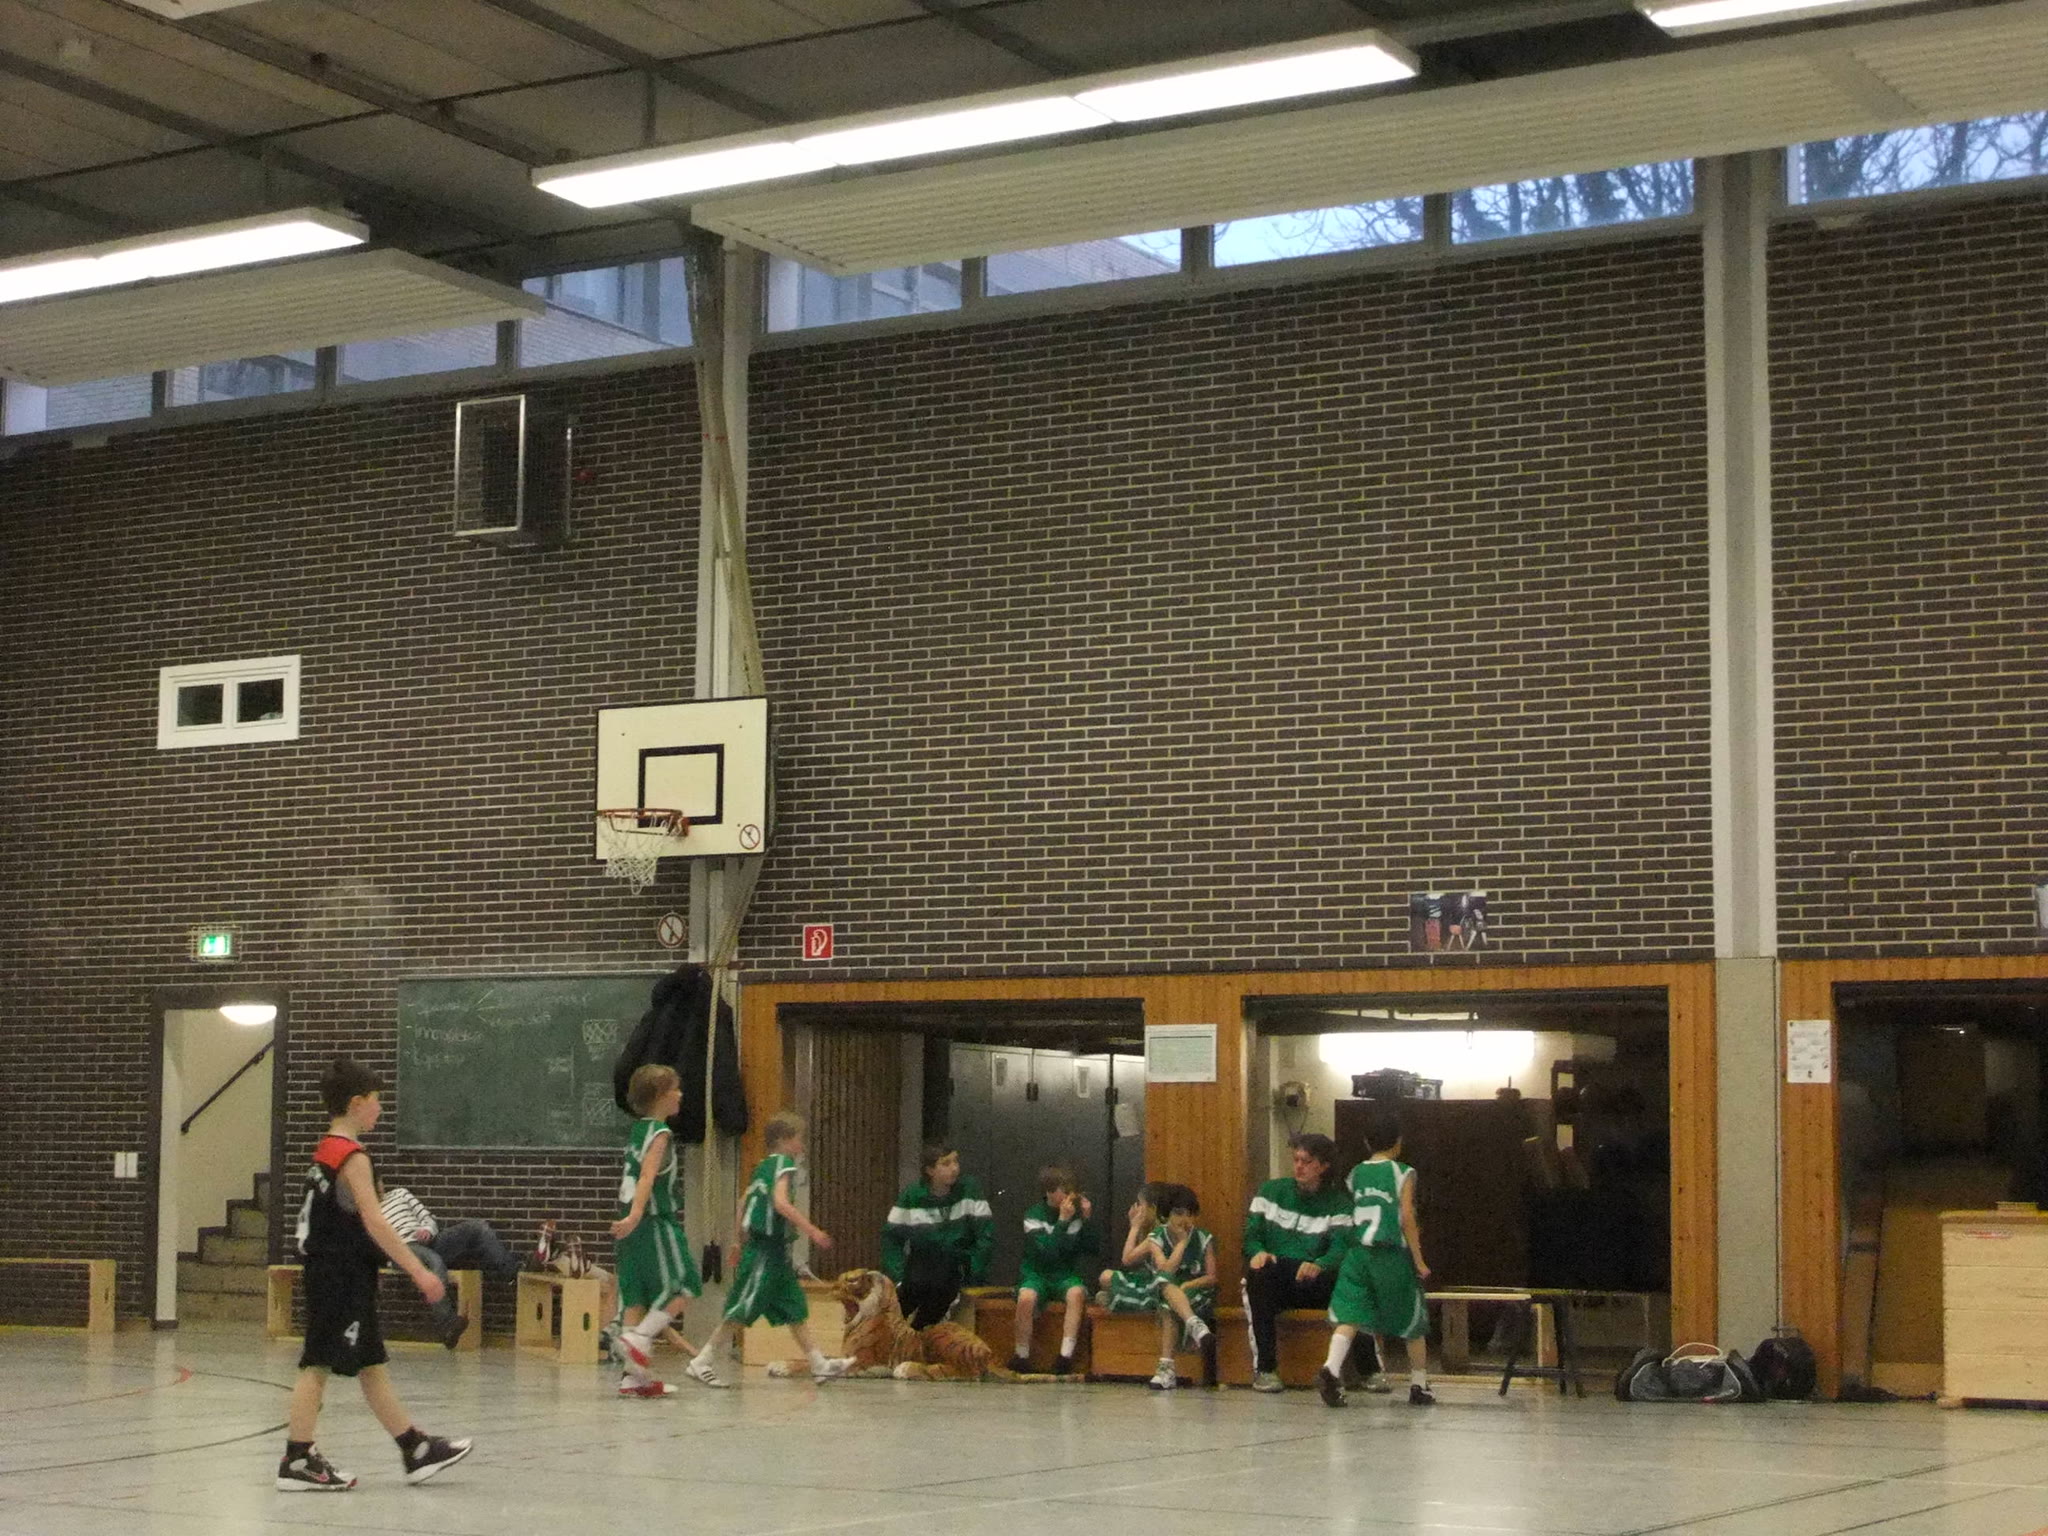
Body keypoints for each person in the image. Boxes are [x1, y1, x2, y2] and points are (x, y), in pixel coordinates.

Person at [277, 1057, 471, 1491]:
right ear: (356, 1103)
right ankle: (297, 1458)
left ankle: (415, 1448)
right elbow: (376, 1222)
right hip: (338, 1276)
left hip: (338, 1273)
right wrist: (419, 1271)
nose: (380, 1109)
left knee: (370, 1363)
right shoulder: (352, 1157)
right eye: (376, 1100)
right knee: (317, 1363)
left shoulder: (326, 1150)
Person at [684, 1111, 847, 1387]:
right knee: (741, 1308)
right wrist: (812, 1230)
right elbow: (781, 1203)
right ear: (783, 1140)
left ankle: (819, 1364)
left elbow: (742, 1203)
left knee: (795, 1309)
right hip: (765, 1252)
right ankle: (702, 1360)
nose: (802, 1146)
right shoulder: (783, 1164)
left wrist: (737, 1240)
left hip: (774, 1254)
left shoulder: (761, 1167)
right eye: (799, 1139)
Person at [1241, 1132, 1381, 1393]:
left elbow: (1342, 1246)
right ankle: (1266, 1370)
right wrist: (1258, 1252)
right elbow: (1251, 1236)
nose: (1298, 1167)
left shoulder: (1339, 1203)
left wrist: (1320, 1263)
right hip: (1278, 1276)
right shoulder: (1270, 1191)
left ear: (1323, 1166)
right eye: (1296, 1160)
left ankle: (1370, 1370)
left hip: (1316, 1278)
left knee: (1354, 1282)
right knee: (1257, 1274)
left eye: (1306, 1162)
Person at [1321, 1103, 1434, 1409]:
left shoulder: (1355, 1173)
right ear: (1398, 1142)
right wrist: (1419, 1260)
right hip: (1390, 1252)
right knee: (1413, 1320)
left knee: (1350, 1316)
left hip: (1358, 1253)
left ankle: (1331, 1368)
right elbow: (1406, 1216)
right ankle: (1419, 1384)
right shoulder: (1403, 1172)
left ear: (1367, 1143)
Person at [608, 1064, 703, 1397]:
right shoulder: (660, 1133)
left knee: (636, 1296)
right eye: (675, 1089)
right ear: (661, 1096)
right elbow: (647, 1176)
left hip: (630, 1223)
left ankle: (632, 1378)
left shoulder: (639, 1129)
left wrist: (629, 1218)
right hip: (652, 1220)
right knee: (685, 1284)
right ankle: (639, 1338)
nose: (680, 1094)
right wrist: (637, 1215)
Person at [375, 1182, 526, 1348]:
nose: (378, 1186)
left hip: (429, 1241)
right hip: (403, 1250)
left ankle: (513, 1274)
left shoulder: (400, 1193)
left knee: (477, 1228)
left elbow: (427, 1217)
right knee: (435, 1262)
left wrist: (427, 1230)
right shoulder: (369, 1211)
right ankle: (447, 1324)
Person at [1103, 1183, 1216, 1391]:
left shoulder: (1203, 1237)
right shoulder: (1158, 1236)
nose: (1185, 1220)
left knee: (1167, 1299)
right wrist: (1181, 1244)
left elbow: (1211, 1277)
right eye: (1179, 1213)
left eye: (1190, 1214)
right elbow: (1165, 1270)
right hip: (1166, 1287)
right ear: (1166, 1214)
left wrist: (1189, 1284)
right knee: (1166, 1297)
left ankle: (1167, 1367)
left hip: (1195, 1292)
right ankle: (1193, 1327)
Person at [881, 1140, 995, 1328]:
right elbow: (891, 1238)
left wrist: (975, 1272)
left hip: (958, 1264)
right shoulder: (912, 1196)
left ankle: (919, 1329)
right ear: (930, 1170)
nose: (954, 1168)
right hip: (921, 1266)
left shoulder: (970, 1189)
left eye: (955, 1161)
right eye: (946, 1163)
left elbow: (985, 1237)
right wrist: (898, 1277)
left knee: (942, 1274)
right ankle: (893, 1331)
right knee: (907, 1293)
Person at [1011, 1165, 1097, 1374]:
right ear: (1049, 1191)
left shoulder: (1075, 1216)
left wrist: (1087, 1220)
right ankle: (1021, 1356)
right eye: (1064, 1191)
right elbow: (1047, 1252)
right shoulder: (1033, 1215)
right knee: (1026, 1298)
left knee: (1076, 1293)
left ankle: (1065, 1356)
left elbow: (1091, 1249)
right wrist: (1062, 1222)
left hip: (1064, 1274)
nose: (1070, 1197)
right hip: (1036, 1273)